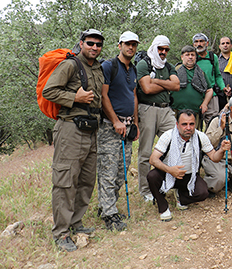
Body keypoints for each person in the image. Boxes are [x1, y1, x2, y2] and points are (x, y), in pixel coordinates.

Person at [42, 29, 105, 252]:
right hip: (70, 129)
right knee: (65, 181)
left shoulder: (97, 67)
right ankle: (60, 233)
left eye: (98, 44)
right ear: (81, 43)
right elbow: (49, 91)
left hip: (91, 129)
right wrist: (73, 98)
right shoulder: (70, 65)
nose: (94, 47)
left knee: (86, 180)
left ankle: (76, 222)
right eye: (90, 43)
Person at [147, 110, 230, 221]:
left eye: (191, 124)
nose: (188, 128)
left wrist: (221, 150)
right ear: (177, 125)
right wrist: (170, 170)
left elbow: (214, 157)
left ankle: (181, 197)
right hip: (168, 173)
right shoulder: (168, 136)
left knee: (203, 193)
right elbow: (153, 160)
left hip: (190, 175)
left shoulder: (200, 137)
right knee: (152, 176)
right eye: (184, 124)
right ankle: (163, 207)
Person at [98, 31, 140, 232]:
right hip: (109, 127)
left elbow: (133, 96)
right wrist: (115, 121)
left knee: (122, 169)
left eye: (134, 44)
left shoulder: (132, 69)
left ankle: (107, 206)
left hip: (128, 126)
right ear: (120, 45)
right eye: (127, 44)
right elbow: (103, 95)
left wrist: (136, 123)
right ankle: (109, 214)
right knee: (108, 169)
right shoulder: (109, 66)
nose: (130, 47)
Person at [136, 35, 180, 202]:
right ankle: (146, 190)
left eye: (166, 49)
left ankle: (171, 184)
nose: (163, 52)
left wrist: (156, 80)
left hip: (165, 110)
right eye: (160, 49)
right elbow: (146, 88)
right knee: (146, 152)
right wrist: (165, 83)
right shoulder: (143, 64)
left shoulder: (168, 66)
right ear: (154, 47)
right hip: (147, 109)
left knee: (175, 144)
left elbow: (176, 85)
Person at [171, 45, 211, 127]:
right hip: (176, 111)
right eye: (187, 55)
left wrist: (204, 104)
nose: (190, 57)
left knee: (192, 136)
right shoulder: (175, 70)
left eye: (192, 55)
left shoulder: (201, 73)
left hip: (194, 113)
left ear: (196, 57)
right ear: (182, 57)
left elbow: (209, 90)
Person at [193, 33, 227, 127]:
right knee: (194, 124)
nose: (199, 44)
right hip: (196, 95)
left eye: (201, 41)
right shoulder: (192, 57)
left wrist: (223, 88)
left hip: (212, 95)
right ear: (193, 45)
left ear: (207, 43)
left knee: (213, 124)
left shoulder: (213, 57)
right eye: (196, 42)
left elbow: (218, 75)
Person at [218, 36, 232, 109]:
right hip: (220, 96)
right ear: (219, 46)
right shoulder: (216, 61)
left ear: (231, 46)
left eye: (227, 43)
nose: (225, 45)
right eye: (223, 43)